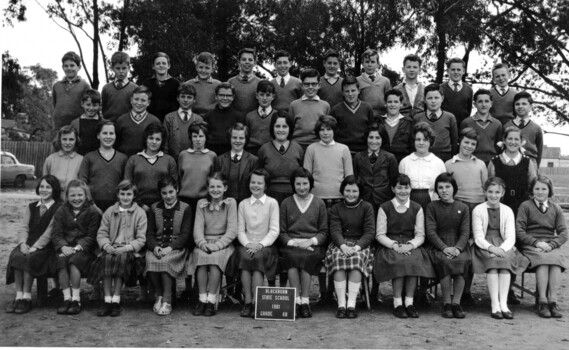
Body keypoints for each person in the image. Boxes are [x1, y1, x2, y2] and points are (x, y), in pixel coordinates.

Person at [375, 174, 435, 319]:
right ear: (393, 189)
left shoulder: (417, 208)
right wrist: (394, 245)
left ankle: (409, 302)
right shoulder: (385, 208)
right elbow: (380, 234)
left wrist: (410, 245)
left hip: (410, 244)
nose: (403, 191)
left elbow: (420, 234)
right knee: (399, 261)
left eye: (406, 187)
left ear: (411, 189)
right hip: (391, 244)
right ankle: (397, 303)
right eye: (399, 188)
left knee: (413, 261)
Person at [472, 177, 529, 319]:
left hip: (504, 245)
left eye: (497, 192)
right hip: (484, 246)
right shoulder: (478, 209)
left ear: (502, 193)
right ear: (485, 192)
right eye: (490, 191)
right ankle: (495, 305)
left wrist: (502, 249)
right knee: (492, 265)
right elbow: (478, 236)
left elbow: (511, 236)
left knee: (504, 264)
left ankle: (504, 304)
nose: (493, 195)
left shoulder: (507, 210)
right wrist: (491, 248)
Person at [89, 180, 147, 317]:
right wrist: (106, 245)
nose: (125, 197)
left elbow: (141, 238)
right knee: (107, 259)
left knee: (120, 260)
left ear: (134, 196)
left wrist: (127, 247)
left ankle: (116, 299)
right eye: (122, 194)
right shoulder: (110, 211)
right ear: (118, 195)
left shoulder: (139, 213)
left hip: (129, 250)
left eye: (129, 194)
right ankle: (107, 299)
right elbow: (102, 233)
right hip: (112, 247)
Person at [5, 175, 62, 314]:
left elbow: (50, 232)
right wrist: (23, 243)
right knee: (17, 256)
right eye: (42, 186)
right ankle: (19, 296)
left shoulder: (58, 208)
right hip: (28, 243)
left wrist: (36, 247)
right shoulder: (31, 207)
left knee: (30, 258)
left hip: (46, 247)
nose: (44, 190)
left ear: (54, 189)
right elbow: (24, 227)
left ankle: (27, 298)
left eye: (48, 187)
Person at [279, 168, 328, 318]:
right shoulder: (286, 203)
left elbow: (324, 232)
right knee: (293, 260)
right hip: (292, 245)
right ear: (293, 185)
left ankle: (305, 301)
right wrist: (293, 242)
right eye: (298, 184)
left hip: (312, 246)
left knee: (306, 259)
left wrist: (311, 241)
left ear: (310, 184)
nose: (302, 187)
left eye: (305, 183)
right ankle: (295, 301)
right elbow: (282, 232)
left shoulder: (319, 203)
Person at [516, 176, 568, 318]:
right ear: (532, 190)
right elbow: (520, 231)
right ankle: (542, 302)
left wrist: (551, 245)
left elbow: (563, 233)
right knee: (544, 262)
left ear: (549, 190)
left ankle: (553, 301)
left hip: (550, 245)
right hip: (531, 245)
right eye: (537, 189)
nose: (540, 192)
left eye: (544, 189)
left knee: (556, 261)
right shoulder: (525, 206)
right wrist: (537, 243)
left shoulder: (555, 208)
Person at [325, 175, 375, 319]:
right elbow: (335, 230)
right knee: (338, 259)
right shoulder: (336, 209)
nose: (351, 194)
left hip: (360, 244)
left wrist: (357, 247)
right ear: (342, 191)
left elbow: (370, 232)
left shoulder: (366, 207)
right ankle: (341, 304)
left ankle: (351, 304)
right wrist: (342, 246)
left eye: (354, 191)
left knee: (356, 261)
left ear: (360, 192)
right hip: (340, 244)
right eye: (348, 190)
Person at [188, 173, 237, 317]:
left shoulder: (230, 203)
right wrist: (202, 244)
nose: (215, 190)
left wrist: (218, 245)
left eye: (219, 186)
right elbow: (197, 229)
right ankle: (202, 299)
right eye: (212, 187)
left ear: (225, 188)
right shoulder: (202, 204)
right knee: (201, 259)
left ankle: (212, 300)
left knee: (215, 260)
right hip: (205, 243)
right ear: (208, 188)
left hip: (223, 244)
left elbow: (232, 230)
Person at [51, 179, 102, 315]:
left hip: (84, 250)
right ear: (67, 196)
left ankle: (76, 299)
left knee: (74, 262)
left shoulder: (92, 212)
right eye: (72, 195)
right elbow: (56, 234)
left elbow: (91, 236)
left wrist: (78, 247)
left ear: (86, 195)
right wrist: (63, 246)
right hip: (66, 247)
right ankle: (67, 298)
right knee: (61, 261)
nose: (76, 198)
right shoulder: (61, 211)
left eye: (80, 195)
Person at [426, 173, 471, 319]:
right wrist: (444, 248)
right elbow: (431, 232)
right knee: (445, 260)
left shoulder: (463, 207)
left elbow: (465, 232)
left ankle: (456, 303)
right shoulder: (432, 206)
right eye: (440, 187)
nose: (444, 190)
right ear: (437, 191)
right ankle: (446, 303)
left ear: (454, 188)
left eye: (447, 187)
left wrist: (458, 248)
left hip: (459, 245)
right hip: (439, 246)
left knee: (462, 260)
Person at [235, 169, 279, 317]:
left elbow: (274, 230)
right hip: (246, 245)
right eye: (253, 182)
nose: (255, 185)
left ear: (265, 185)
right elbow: (240, 230)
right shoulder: (243, 204)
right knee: (245, 257)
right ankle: (247, 300)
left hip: (265, 246)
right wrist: (248, 244)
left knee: (258, 257)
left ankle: (257, 302)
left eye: (259, 183)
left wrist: (260, 245)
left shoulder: (272, 203)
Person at [146, 177, 192, 316]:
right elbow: (150, 234)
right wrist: (155, 247)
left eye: (171, 192)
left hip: (176, 248)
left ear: (177, 189)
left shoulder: (185, 208)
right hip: (158, 247)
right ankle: (159, 295)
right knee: (151, 260)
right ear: (160, 194)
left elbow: (185, 235)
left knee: (165, 262)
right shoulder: (154, 208)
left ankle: (167, 300)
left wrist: (169, 248)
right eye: (164, 193)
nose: (168, 196)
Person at [124, 123, 177, 210]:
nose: (154, 142)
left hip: (163, 206)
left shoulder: (169, 160)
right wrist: (140, 204)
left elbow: (174, 186)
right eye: (151, 138)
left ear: (162, 141)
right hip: (137, 206)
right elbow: (127, 185)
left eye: (158, 139)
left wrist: (160, 205)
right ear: (146, 139)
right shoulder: (133, 159)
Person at [303, 115, 353, 207]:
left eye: (329, 129)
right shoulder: (311, 149)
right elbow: (306, 176)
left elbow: (349, 176)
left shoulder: (344, 149)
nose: (325, 133)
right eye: (322, 130)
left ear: (334, 130)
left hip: (339, 197)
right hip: (316, 197)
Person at [79, 121, 128, 212]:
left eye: (111, 133)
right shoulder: (89, 157)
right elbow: (82, 184)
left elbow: (126, 184)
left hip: (117, 206)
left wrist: (118, 205)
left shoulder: (123, 158)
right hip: (92, 207)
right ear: (98, 135)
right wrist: (92, 204)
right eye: (105, 133)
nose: (108, 137)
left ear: (115, 136)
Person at [488, 126, 537, 216]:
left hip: (522, 209)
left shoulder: (527, 162)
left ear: (521, 142)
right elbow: (490, 187)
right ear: (504, 140)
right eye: (510, 138)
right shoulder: (494, 162)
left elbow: (533, 186)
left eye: (516, 139)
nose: (513, 142)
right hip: (500, 208)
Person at [256, 112, 305, 204]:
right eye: (277, 126)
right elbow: (259, 175)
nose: (281, 130)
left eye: (285, 126)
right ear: (272, 128)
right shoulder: (264, 149)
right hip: (269, 196)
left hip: (293, 196)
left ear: (290, 128)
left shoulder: (297, 148)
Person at [398, 122, 446, 212]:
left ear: (430, 141)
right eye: (418, 139)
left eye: (425, 140)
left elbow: (442, 185)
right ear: (413, 141)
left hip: (431, 202)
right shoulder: (405, 162)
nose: (421, 143)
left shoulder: (438, 163)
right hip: (409, 201)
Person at [353, 123, 398, 213]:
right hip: (364, 199)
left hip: (384, 200)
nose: (374, 141)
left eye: (377, 138)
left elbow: (394, 181)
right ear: (366, 138)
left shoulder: (390, 158)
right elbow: (355, 177)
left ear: (382, 139)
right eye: (371, 137)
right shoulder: (358, 157)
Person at [413, 83, 458, 162]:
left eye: (436, 98)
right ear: (424, 100)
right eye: (430, 98)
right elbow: (413, 141)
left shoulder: (450, 117)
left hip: (445, 158)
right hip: (422, 158)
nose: (433, 101)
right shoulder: (418, 118)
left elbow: (454, 143)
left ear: (442, 98)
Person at [178, 121, 217, 211]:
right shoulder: (183, 155)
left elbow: (214, 179)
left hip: (204, 200)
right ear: (190, 138)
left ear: (206, 137)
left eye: (201, 136)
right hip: (184, 200)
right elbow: (179, 177)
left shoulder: (212, 156)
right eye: (195, 136)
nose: (198, 139)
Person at [215, 123, 258, 204]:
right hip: (225, 204)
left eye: (241, 138)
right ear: (229, 139)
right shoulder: (220, 160)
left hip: (246, 204)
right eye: (234, 137)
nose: (238, 141)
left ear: (246, 140)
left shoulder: (253, 160)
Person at [331, 76, 375, 153]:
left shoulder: (367, 108)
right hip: (342, 151)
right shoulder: (336, 110)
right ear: (342, 92)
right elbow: (332, 133)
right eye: (347, 91)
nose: (350, 94)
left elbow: (372, 130)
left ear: (359, 90)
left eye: (353, 90)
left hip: (363, 151)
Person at [289, 68, 331, 149]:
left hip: (318, 146)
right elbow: (290, 129)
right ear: (301, 85)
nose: (310, 87)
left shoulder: (325, 106)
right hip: (296, 146)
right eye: (307, 84)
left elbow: (328, 129)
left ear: (319, 85)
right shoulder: (294, 105)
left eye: (314, 84)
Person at [115, 85, 161, 157]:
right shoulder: (121, 120)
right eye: (136, 99)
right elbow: (116, 144)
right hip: (125, 161)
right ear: (131, 100)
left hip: (145, 163)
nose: (139, 103)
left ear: (148, 102)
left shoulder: (154, 121)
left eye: (143, 100)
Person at [460, 89, 503, 165]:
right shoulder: (467, 122)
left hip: (491, 162)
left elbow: (499, 147)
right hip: (471, 161)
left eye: (486, 101)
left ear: (491, 104)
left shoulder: (497, 124)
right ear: (474, 104)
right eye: (480, 101)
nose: (483, 104)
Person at [163, 82, 204, 159]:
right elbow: (165, 142)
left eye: (189, 97)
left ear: (194, 100)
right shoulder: (169, 118)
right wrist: (167, 160)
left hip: (192, 160)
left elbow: (201, 142)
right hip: (173, 160)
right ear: (177, 98)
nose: (185, 100)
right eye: (182, 97)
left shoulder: (198, 119)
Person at [203, 82, 245, 156]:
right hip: (212, 154)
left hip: (231, 155)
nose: (225, 98)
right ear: (216, 96)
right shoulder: (208, 116)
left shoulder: (239, 117)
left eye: (228, 95)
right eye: (222, 95)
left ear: (233, 97)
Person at [504, 91, 543, 168]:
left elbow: (539, 151)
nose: (520, 106)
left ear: (530, 107)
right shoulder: (506, 126)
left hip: (530, 163)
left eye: (524, 104)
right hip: (510, 163)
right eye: (517, 104)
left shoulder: (536, 128)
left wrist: (535, 168)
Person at [52, 51, 90, 129]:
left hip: (77, 125)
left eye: (72, 65)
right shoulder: (57, 86)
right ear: (62, 67)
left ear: (79, 67)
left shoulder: (84, 86)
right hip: (59, 125)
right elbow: (54, 104)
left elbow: (88, 106)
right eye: (66, 66)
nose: (69, 68)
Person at [43, 125, 84, 196]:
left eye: (71, 139)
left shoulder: (81, 160)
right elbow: (44, 185)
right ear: (59, 140)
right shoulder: (50, 160)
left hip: (73, 200)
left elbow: (83, 185)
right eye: (64, 139)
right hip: (54, 200)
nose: (67, 143)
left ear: (76, 141)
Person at [142, 52, 180, 122]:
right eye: (158, 63)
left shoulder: (176, 84)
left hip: (171, 121)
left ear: (169, 66)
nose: (161, 65)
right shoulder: (147, 84)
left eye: (164, 63)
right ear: (153, 66)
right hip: (150, 121)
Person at [101, 51, 138, 122]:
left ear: (129, 68)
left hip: (127, 125)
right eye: (118, 68)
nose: (121, 71)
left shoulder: (135, 88)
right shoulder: (106, 88)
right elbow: (103, 108)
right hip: (109, 126)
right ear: (112, 68)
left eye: (124, 68)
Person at [380, 89, 414, 163]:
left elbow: (412, 147)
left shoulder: (409, 123)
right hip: (382, 163)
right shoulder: (378, 121)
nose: (392, 105)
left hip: (402, 161)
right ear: (385, 103)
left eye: (396, 102)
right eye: (389, 102)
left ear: (401, 104)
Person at [356, 48, 391, 118]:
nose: (369, 65)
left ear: (377, 64)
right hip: (364, 117)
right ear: (362, 63)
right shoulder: (357, 80)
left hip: (382, 117)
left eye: (372, 62)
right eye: (367, 62)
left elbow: (390, 100)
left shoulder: (385, 81)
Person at [245, 80, 277, 155]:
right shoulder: (249, 116)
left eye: (268, 95)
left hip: (271, 151)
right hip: (252, 151)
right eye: (262, 95)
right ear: (256, 95)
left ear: (273, 97)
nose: (265, 98)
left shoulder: (277, 115)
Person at [70, 89, 105, 156]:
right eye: (88, 105)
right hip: (80, 159)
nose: (91, 108)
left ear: (99, 106)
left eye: (94, 105)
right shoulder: (75, 123)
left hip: (98, 159)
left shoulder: (103, 123)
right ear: (82, 104)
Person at [227, 48, 262, 114]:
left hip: (253, 121)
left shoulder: (260, 83)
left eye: (250, 60)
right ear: (238, 62)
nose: (247, 62)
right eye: (244, 59)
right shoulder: (230, 82)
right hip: (235, 121)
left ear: (254, 63)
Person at [441, 58, 473, 127]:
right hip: (445, 126)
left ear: (463, 71)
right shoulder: (441, 88)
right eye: (453, 69)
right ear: (448, 71)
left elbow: (468, 110)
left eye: (458, 70)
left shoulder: (469, 90)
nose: (456, 72)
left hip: (462, 127)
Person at [394, 54, 424, 118]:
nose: (412, 70)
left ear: (419, 70)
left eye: (415, 67)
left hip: (421, 124)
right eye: (408, 67)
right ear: (403, 69)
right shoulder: (395, 90)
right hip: (401, 124)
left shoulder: (425, 89)